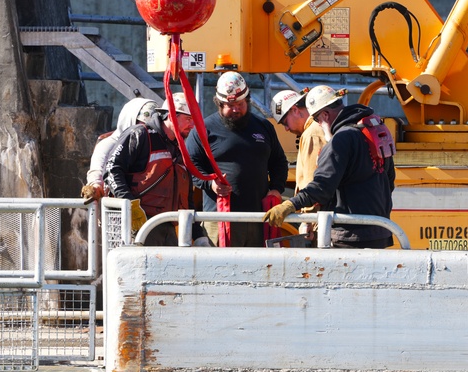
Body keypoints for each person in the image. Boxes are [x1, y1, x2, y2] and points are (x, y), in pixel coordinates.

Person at [263, 86, 396, 249]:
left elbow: (321, 187)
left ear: (325, 115)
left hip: (350, 235)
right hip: (379, 230)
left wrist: (290, 204)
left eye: (317, 119)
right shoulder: (370, 131)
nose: (317, 124)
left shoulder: (341, 140)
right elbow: (389, 180)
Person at [187, 71, 288, 247]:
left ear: (247, 100)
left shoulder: (264, 127)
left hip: (259, 217)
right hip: (220, 218)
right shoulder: (204, 130)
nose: (236, 110)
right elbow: (191, 166)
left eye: (240, 104)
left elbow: (279, 162)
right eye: (230, 105)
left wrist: (276, 189)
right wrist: (210, 184)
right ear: (219, 103)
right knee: (220, 271)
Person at [103, 93, 199, 245]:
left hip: (168, 228)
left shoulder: (180, 150)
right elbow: (112, 170)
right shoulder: (140, 135)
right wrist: (130, 206)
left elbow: (186, 196)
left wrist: (199, 235)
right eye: (188, 119)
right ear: (172, 115)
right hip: (139, 228)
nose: (192, 125)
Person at [271, 87, 329, 237]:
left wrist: (307, 219)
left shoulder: (311, 134)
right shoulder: (316, 129)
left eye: (285, 122)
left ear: (295, 110)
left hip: (318, 217)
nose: (286, 129)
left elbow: (312, 181)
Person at [81, 98, 157, 201]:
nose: (145, 128)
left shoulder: (156, 143)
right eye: (141, 123)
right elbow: (97, 170)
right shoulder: (108, 144)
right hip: (116, 206)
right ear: (130, 119)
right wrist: (95, 185)